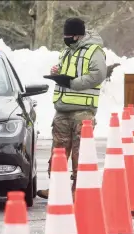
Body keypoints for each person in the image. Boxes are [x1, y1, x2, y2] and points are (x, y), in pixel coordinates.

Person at [37, 18, 107, 200]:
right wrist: (56, 72)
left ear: (78, 35)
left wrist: (72, 83)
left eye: (69, 35)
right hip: (62, 109)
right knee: (58, 151)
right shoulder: (66, 51)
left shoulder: (94, 51)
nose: (66, 38)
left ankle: (78, 190)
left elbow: (98, 74)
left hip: (83, 111)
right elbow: (67, 70)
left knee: (80, 152)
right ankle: (56, 188)